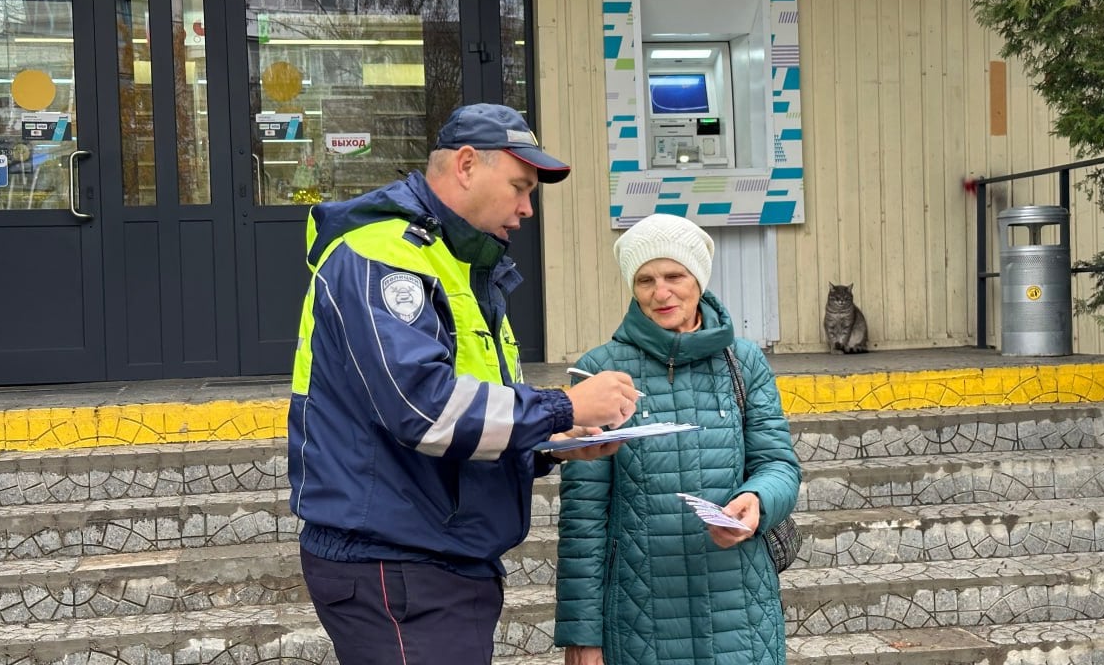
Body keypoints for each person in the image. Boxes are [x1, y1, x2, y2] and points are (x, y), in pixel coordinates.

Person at [287, 103, 640, 664]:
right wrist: (560, 405)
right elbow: (425, 410)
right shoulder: (383, 255)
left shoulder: (459, 262)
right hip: (396, 561)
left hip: (434, 557)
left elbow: (471, 419)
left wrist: (554, 443)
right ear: (468, 165)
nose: (527, 209)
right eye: (520, 188)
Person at [554, 213, 803, 665]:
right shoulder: (600, 370)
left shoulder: (743, 362)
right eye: (645, 279)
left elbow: (779, 465)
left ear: (699, 280)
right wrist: (582, 634)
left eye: (674, 276)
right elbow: (583, 519)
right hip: (639, 614)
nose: (660, 292)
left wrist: (758, 500)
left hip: (741, 609)